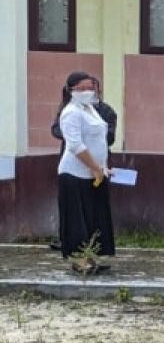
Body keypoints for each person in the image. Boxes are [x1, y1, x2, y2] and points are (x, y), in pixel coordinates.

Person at [51, 74, 118, 253]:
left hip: (94, 173)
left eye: (91, 88)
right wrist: (95, 167)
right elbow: (75, 145)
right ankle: (79, 260)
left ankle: (92, 256)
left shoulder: (90, 109)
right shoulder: (70, 112)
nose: (89, 92)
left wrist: (102, 168)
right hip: (75, 175)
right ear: (72, 91)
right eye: (83, 88)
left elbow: (99, 141)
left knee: (94, 220)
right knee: (77, 222)